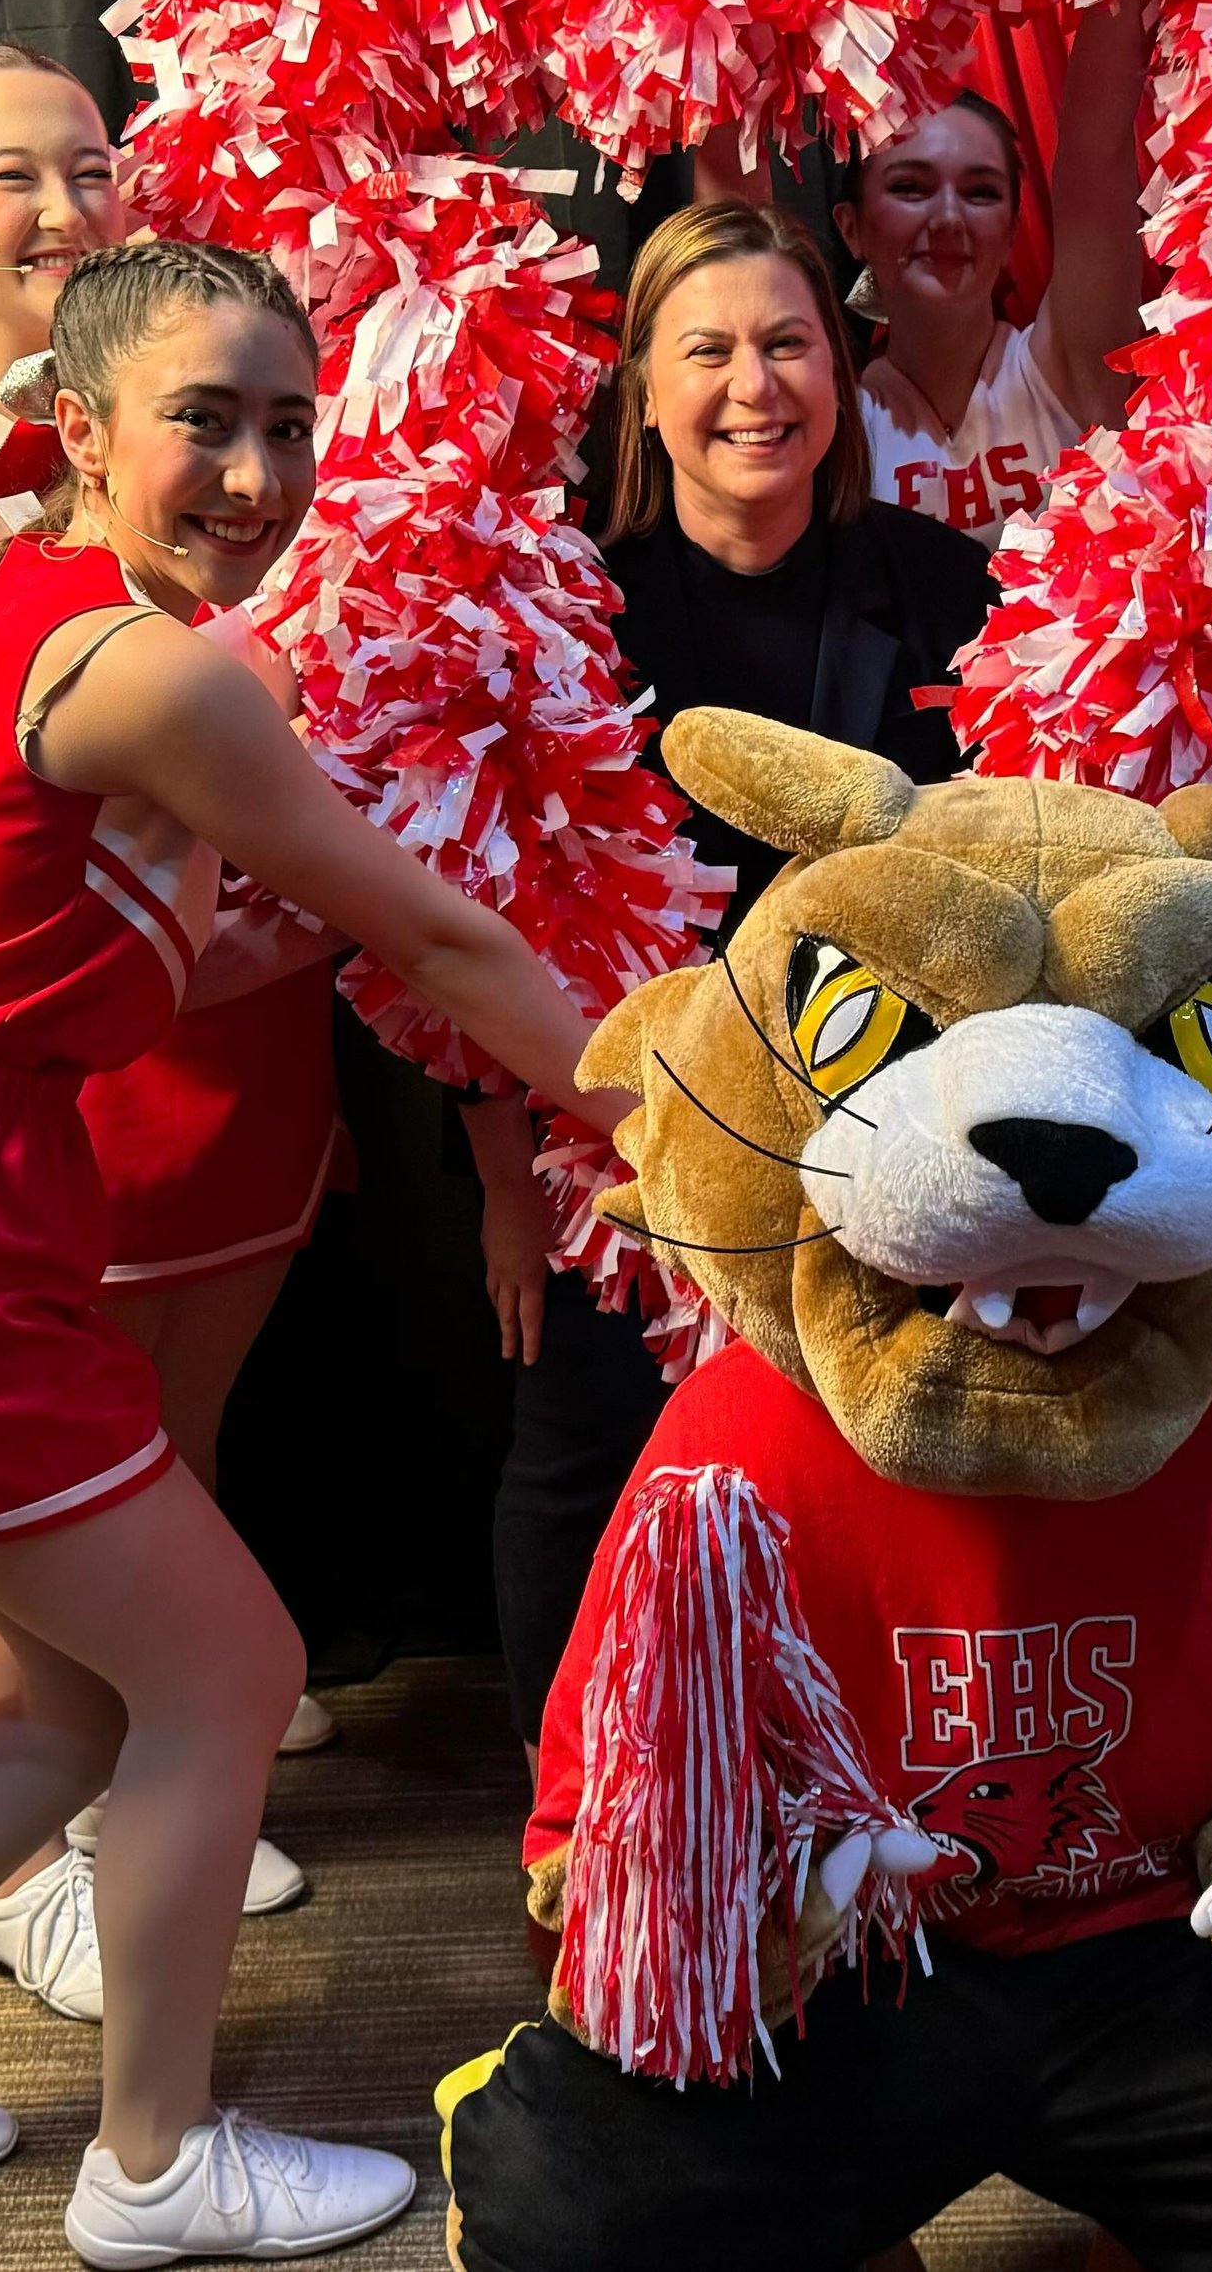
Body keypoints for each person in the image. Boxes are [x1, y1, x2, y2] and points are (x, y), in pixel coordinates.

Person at [0, 241, 632, 2265]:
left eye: (291, 422)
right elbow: (442, 944)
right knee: (230, 1670)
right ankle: (153, 2161)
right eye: (204, 417)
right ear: (84, 429)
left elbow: (105, 922)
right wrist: (693, 1101)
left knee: (55, 1707)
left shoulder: (4, 586)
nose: (257, 469)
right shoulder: (162, 667)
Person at [0, 44, 333, 2013]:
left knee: (138, 1451)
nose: (62, 204)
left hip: (195, 1018)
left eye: (92, 164)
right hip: (39, 1032)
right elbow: (38, 806)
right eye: (11, 174)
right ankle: (21, 1853)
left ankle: (123, 1773)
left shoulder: (166, 440)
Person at [462, 201, 998, 1767]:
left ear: (842, 369)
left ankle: (835, 1812)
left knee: (863, 1468)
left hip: (888, 1125)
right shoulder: (564, 604)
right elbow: (483, 896)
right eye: (708, 349)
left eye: (789, 342)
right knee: (584, 1465)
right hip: (615, 1132)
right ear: (638, 384)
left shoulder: (954, 586)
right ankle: (581, 1825)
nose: (755, 384)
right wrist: (504, 1178)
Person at [830, 0, 1149, 545]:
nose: (949, 217)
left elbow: (1096, 147)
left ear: (1008, 232)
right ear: (852, 227)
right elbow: (728, 253)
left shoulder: (1068, 368)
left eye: (980, 193)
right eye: (911, 187)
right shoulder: (832, 426)